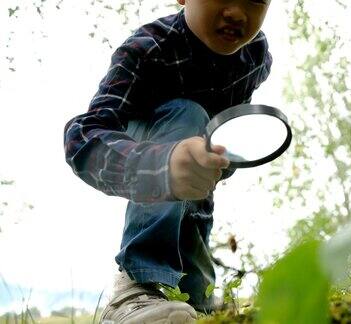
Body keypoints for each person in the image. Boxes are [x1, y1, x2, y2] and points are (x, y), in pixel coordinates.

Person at [63, 0, 272, 322]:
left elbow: (224, 126)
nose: (236, 12)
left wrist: (216, 158)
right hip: (139, 146)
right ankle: (134, 290)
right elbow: (84, 135)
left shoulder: (255, 56)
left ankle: (197, 299)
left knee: (198, 177)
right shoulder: (147, 49)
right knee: (185, 113)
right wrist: (158, 165)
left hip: (197, 150)